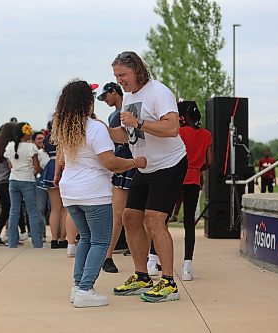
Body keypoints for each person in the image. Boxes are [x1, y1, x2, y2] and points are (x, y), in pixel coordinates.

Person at [52, 80, 146, 308]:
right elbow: (110, 163)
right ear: (88, 102)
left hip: (71, 192)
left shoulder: (65, 128)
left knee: (86, 237)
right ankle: (85, 289)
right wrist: (136, 162)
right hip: (93, 192)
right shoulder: (94, 128)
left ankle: (78, 286)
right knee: (101, 241)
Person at [107, 51, 187, 303]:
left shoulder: (159, 92)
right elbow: (125, 135)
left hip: (170, 164)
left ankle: (169, 283)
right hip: (145, 167)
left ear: (137, 71)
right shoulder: (130, 96)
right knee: (130, 217)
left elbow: (172, 128)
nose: (120, 80)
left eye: (123, 75)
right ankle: (142, 276)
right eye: (116, 76)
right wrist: (97, 128)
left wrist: (138, 122)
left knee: (154, 220)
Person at [96, 82, 133, 273]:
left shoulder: (130, 107)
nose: (105, 101)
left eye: (105, 97)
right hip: (125, 160)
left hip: (134, 158)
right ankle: (107, 255)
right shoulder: (113, 116)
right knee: (117, 213)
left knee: (140, 214)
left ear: (113, 92)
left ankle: (149, 256)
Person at [178, 101, 213, 281]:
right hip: (194, 179)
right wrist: (197, 168)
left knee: (161, 220)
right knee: (189, 223)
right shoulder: (206, 135)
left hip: (176, 178)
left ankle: (153, 260)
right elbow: (210, 161)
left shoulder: (180, 132)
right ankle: (187, 267)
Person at [4, 122, 43, 248]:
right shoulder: (31, 147)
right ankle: (37, 242)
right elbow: (36, 167)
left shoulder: (10, 146)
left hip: (13, 180)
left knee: (14, 211)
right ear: (26, 132)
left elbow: (10, 165)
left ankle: (12, 242)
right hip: (27, 180)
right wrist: (32, 172)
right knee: (32, 211)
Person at [39, 121, 68, 249]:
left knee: (55, 208)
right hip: (63, 165)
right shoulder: (65, 136)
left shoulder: (47, 139)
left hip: (50, 166)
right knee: (65, 208)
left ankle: (54, 239)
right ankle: (63, 239)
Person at [32, 131, 50, 242]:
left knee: (53, 209)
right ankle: (41, 233)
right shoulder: (36, 153)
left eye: (42, 138)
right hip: (40, 183)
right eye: (38, 138)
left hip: (52, 183)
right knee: (40, 209)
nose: (41, 140)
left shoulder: (50, 153)